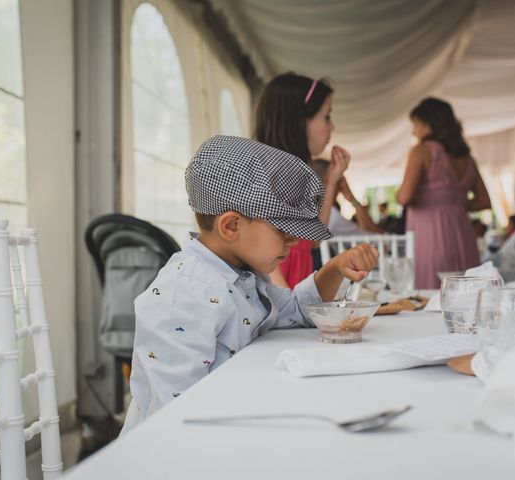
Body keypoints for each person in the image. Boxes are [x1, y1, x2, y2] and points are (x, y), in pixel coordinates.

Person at [123, 135, 378, 431]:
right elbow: (175, 415)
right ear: (231, 226)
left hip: (237, 420)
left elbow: (296, 312)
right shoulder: (184, 293)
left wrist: (334, 268)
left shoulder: (242, 274)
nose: (294, 240)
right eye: (282, 229)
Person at [254, 72, 351, 288]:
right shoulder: (268, 174)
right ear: (298, 120)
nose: (332, 126)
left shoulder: (296, 174)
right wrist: (290, 305)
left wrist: (331, 181)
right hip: (277, 300)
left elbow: (312, 239)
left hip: (294, 294)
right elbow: (262, 260)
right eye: (326, 116)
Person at [396, 97, 491, 289]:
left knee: (430, 293)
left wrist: (397, 195)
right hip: (463, 234)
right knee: (466, 295)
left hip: (430, 234)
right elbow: (483, 201)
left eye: (416, 125)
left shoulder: (422, 151)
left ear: (429, 124)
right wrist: (455, 203)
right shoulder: (467, 158)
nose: (414, 131)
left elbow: (405, 196)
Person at [310, 158, 385, 236]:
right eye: (339, 181)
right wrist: (352, 198)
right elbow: (374, 236)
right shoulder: (331, 215)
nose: (340, 188)